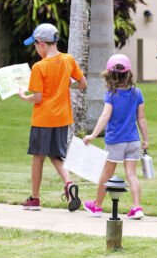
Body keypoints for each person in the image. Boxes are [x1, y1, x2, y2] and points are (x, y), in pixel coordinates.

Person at [17, 23, 87, 211]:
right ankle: (69, 183)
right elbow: (82, 83)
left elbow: (38, 97)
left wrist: (25, 97)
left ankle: (35, 198)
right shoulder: (68, 60)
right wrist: (66, 85)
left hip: (43, 118)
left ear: (41, 43)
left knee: (38, 157)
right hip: (62, 118)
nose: (35, 48)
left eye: (35, 45)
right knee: (56, 155)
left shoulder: (39, 67)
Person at [82, 54, 149, 219]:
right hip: (133, 140)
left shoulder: (111, 95)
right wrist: (145, 139)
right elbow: (141, 117)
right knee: (131, 174)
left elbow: (105, 116)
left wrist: (93, 134)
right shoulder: (136, 93)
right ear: (128, 74)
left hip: (115, 141)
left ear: (110, 75)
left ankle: (97, 206)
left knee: (107, 173)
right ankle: (137, 207)